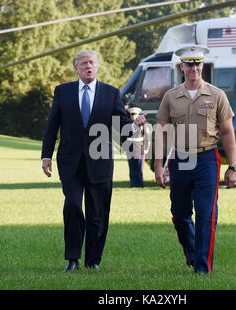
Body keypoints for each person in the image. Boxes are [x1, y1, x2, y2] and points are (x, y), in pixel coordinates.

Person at [41, 50, 146, 272]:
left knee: (98, 213)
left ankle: (93, 261)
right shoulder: (63, 92)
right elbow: (52, 126)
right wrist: (46, 155)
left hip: (100, 163)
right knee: (72, 207)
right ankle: (72, 259)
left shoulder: (111, 93)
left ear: (97, 66)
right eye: (83, 63)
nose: (88, 66)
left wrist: (135, 125)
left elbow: (121, 127)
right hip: (70, 163)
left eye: (92, 63)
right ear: (76, 68)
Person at [154, 45, 236, 274]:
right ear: (182, 66)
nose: (193, 68)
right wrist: (159, 165)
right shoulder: (171, 97)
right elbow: (161, 131)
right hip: (180, 159)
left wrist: (233, 167)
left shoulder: (217, 95)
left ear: (202, 65)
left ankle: (202, 267)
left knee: (205, 213)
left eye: (197, 63)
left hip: (207, 158)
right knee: (180, 215)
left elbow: (228, 132)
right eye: (189, 64)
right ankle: (192, 252)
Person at [124, 107, 151, 188]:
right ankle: (133, 184)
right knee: (132, 169)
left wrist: (146, 149)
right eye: (132, 114)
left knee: (139, 169)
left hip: (140, 149)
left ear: (138, 115)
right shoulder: (127, 124)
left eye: (135, 114)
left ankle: (140, 184)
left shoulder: (144, 125)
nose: (133, 116)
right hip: (130, 149)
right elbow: (123, 138)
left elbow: (147, 137)